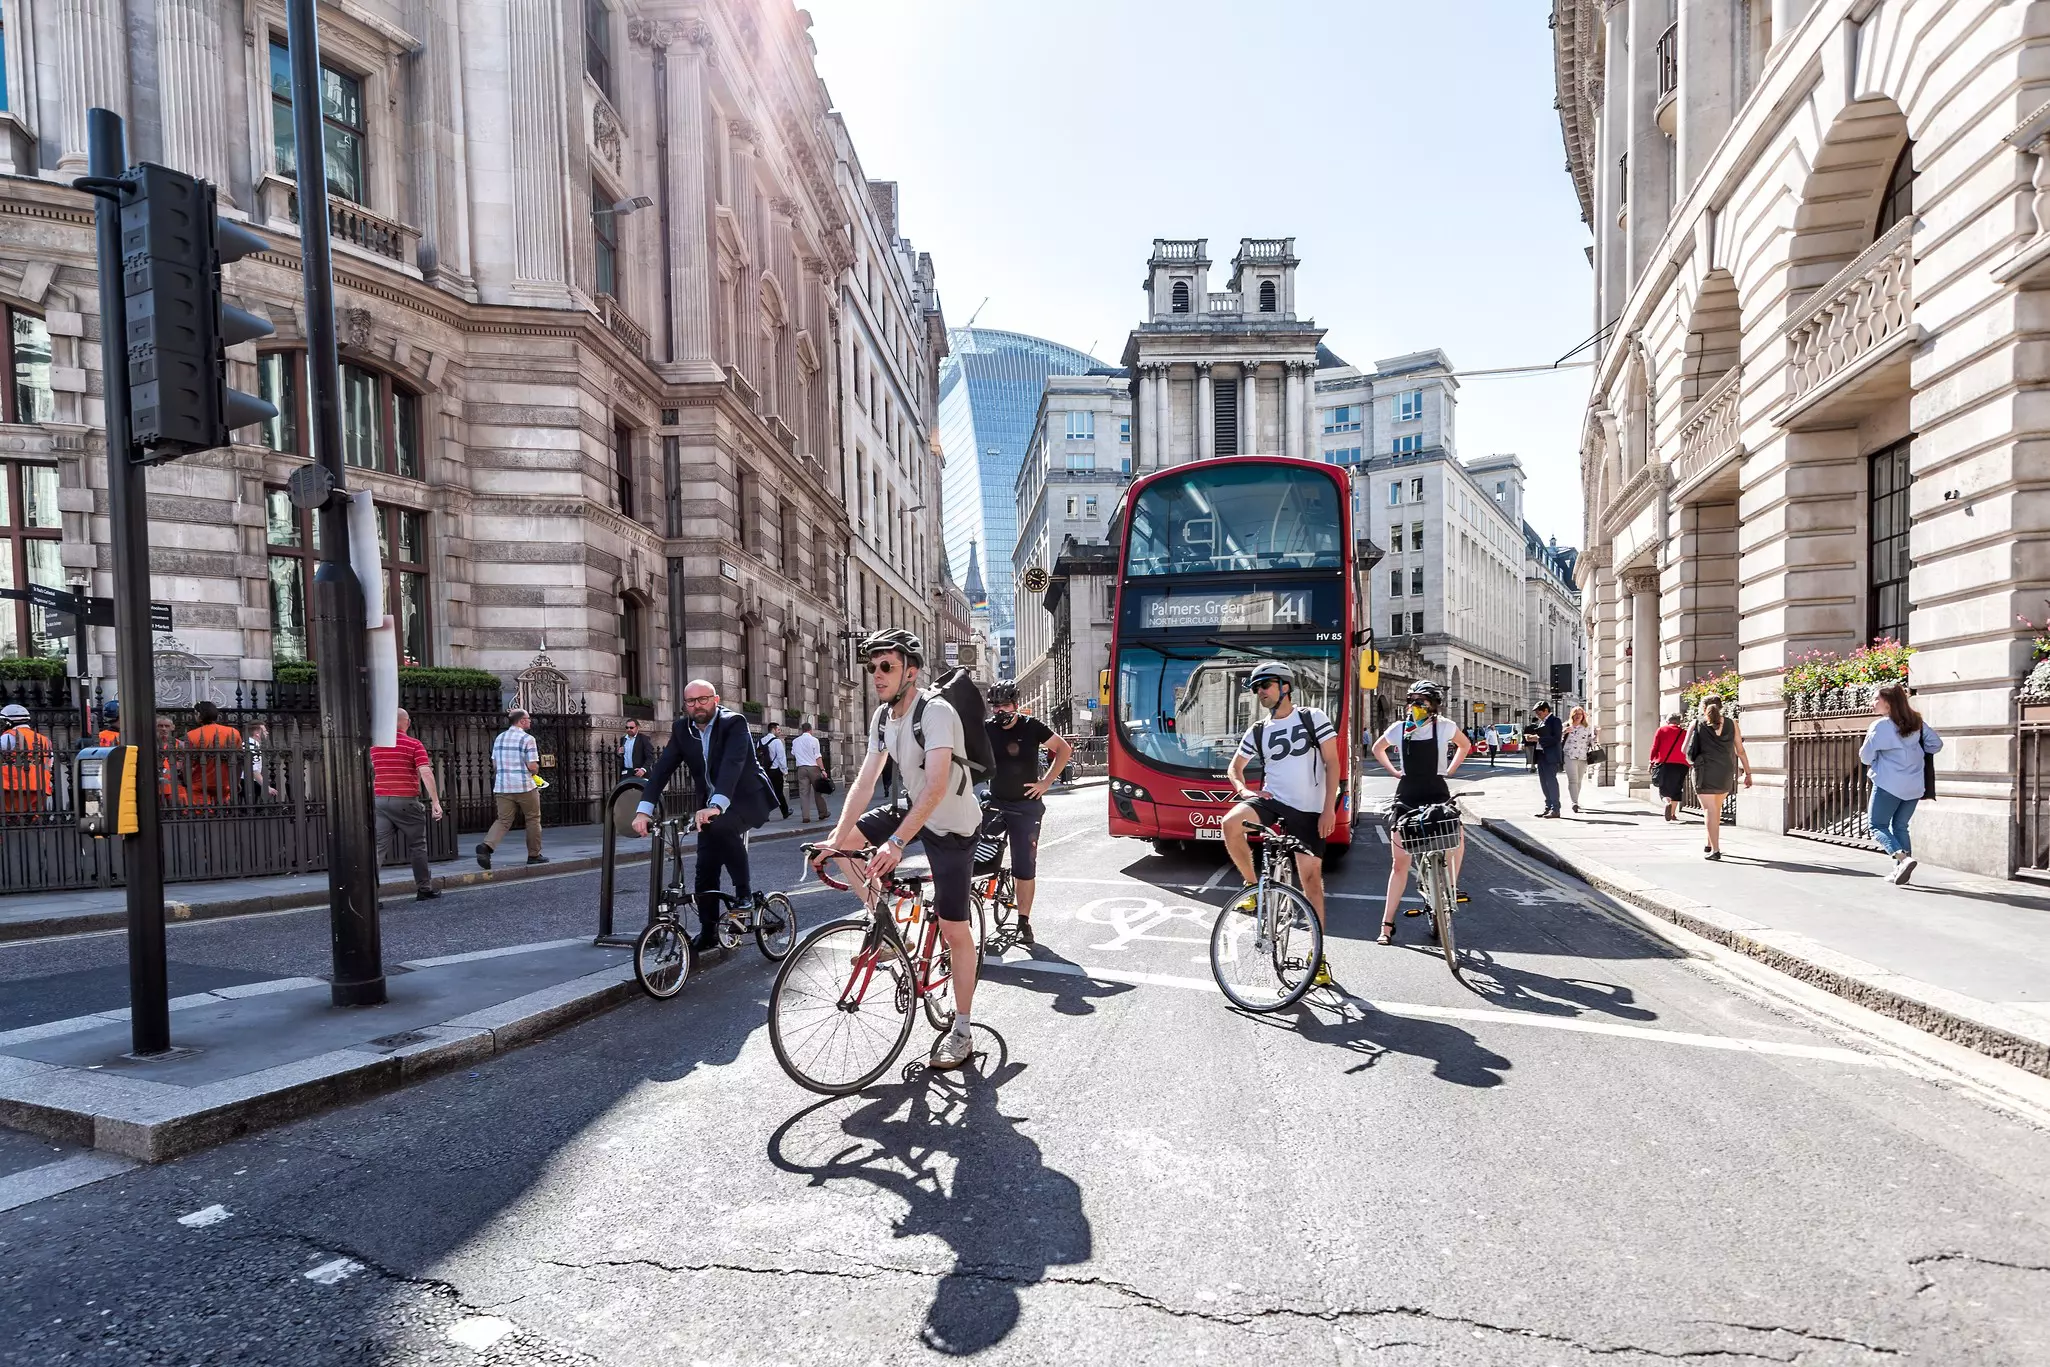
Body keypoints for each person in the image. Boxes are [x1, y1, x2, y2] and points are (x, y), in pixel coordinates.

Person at [820, 630, 984, 1071]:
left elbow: (935, 787)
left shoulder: (936, 712)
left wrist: (895, 843)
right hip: (916, 808)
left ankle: (963, 1029)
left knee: (954, 930)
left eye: (886, 666)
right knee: (846, 848)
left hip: (951, 824)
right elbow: (865, 781)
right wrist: (836, 837)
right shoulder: (881, 718)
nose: (876, 674)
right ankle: (890, 932)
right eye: (872, 667)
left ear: (911, 671)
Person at [632, 679, 780, 951]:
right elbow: (663, 769)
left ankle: (743, 894)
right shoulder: (681, 729)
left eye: (703, 699)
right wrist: (644, 810)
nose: (697, 705)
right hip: (707, 808)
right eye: (691, 701)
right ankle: (709, 931)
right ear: (685, 705)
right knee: (704, 869)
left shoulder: (734, 723)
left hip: (744, 798)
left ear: (716, 699)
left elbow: (732, 765)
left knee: (723, 826)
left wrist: (717, 804)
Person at [1221, 661, 1340, 985]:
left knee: (1311, 880)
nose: (1260, 692)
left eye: (1265, 685)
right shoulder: (1258, 729)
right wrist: (1243, 789)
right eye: (1256, 688)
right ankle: (1252, 886)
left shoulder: (1312, 719)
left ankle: (1317, 958)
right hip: (1273, 801)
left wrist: (1329, 810)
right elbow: (1235, 768)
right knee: (1230, 824)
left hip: (1309, 810)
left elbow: (1332, 763)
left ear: (1285, 686)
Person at [1370, 680, 1475, 945]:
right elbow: (1377, 748)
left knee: (1458, 839)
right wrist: (1394, 772)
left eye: (1422, 701)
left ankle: (1449, 889)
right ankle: (1387, 924)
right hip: (1407, 794)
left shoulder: (1445, 727)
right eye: (1412, 700)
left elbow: (1465, 745)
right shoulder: (1399, 728)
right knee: (1400, 862)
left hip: (1436, 791)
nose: (1415, 706)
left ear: (1434, 705)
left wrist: (1450, 770)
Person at [983, 682, 1073, 947]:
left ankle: (1023, 920)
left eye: (1005, 705)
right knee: (976, 857)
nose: (1000, 711)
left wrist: (1046, 783)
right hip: (996, 802)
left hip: (1026, 807)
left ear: (1015, 705)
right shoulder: (987, 728)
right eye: (996, 706)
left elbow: (1064, 749)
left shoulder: (1031, 726)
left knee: (1024, 866)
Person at [1860, 682, 1944, 886]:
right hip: (1914, 784)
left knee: (1877, 825)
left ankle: (1903, 859)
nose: (1873, 703)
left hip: (1888, 783)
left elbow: (1865, 756)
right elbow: (1936, 744)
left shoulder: (1880, 726)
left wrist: (1882, 756)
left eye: (1876, 699)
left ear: (1887, 703)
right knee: (1900, 826)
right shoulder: (1916, 722)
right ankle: (1900, 870)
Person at [371, 708, 446, 900]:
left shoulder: (375, 746)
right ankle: (423, 888)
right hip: (406, 801)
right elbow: (426, 772)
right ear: (407, 722)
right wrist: (435, 802)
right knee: (417, 846)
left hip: (380, 801)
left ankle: (370, 896)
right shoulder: (413, 744)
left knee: (378, 848)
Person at [477, 708, 545, 869]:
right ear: (521, 721)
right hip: (524, 786)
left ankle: (486, 846)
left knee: (503, 820)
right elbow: (532, 765)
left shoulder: (500, 738)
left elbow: (494, 763)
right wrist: (535, 771)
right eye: (528, 718)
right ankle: (534, 855)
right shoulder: (528, 739)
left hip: (502, 786)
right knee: (533, 819)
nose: (530, 721)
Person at [1686, 696, 1751, 860]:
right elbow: (1740, 750)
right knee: (1716, 808)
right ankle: (1709, 843)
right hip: (1725, 771)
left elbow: (1684, 749)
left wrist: (1693, 762)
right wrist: (1748, 773)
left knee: (1709, 810)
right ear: (1722, 707)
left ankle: (1715, 850)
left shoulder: (1696, 723)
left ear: (1703, 707)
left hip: (1704, 771)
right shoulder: (1732, 723)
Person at [184, 700, 244, 808]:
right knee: (223, 816)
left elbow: (188, 762)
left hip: (200, 782)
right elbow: (239, 760)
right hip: (225, 781)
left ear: (198, 714)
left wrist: (186, 780)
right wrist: (237, 780)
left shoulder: (192, 735)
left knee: (201, 815)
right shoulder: (233, 732)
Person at [0, 703, 51, 815]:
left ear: (9, 722)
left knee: (11, 820)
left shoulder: (9, 737)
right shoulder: (44, 739)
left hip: (14, 787)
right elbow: (49, 763)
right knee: (32, 821)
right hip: (40, 786)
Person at [1650, 712, 1690, 821]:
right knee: (1677, 787)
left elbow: (1655, 747)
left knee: (1664, 788)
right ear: (1679, 722)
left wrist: (1651, 761)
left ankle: (1667, 801)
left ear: (1668, 721)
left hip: (1665, 763)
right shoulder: (1685, 733)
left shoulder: (1661, 730)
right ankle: (1672, 814)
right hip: (1682, 764)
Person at [1560, 705, 1598, 813]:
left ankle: (1576, 800)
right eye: (1575, 714)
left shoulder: (1587, 728)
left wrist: (1596, 736)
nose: (1578, 716)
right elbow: (1557, 739)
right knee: (1573, 779)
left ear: (1583, 716)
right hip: (1569, 756)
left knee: (1579, 780)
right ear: (1572, 715)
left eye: (1580, 714)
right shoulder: (1566, 726)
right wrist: (1564, 732)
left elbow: (1591, 742)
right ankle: (1574, 802)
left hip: (1583, 756)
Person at [1530, 702, 1565, 817]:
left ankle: (1556, 809)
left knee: (1551, 782)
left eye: (1538, 712)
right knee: (1543, 783)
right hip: (1541, 755)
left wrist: (1538, 739)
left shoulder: (1555, 721)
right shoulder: (1542, 722)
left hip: (1550, 756)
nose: (1537, 714)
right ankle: (1548, 807)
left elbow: (1557, 738)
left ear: (1545, 710)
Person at [791, 720, 828, 821]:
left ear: (802, 730)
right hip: (813, 768)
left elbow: (793, 753)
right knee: (818, 791)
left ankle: (805, 816)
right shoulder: (814, 740)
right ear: (810, 730)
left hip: (801, 768)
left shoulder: (795, 741)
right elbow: (818, 756)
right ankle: (822, 813)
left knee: (803, 793)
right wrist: (823, 770)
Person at [763, 724, 792, 819]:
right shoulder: (777, 742)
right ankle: (785, 812)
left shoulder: (761, 741)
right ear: (773, 729)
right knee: (779, 792)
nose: (780, 731)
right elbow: (781, 757)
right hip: (775, 771)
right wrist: (785, 770)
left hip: (765, 771)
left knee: (766, 793)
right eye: (778, 729)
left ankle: (765, 816)